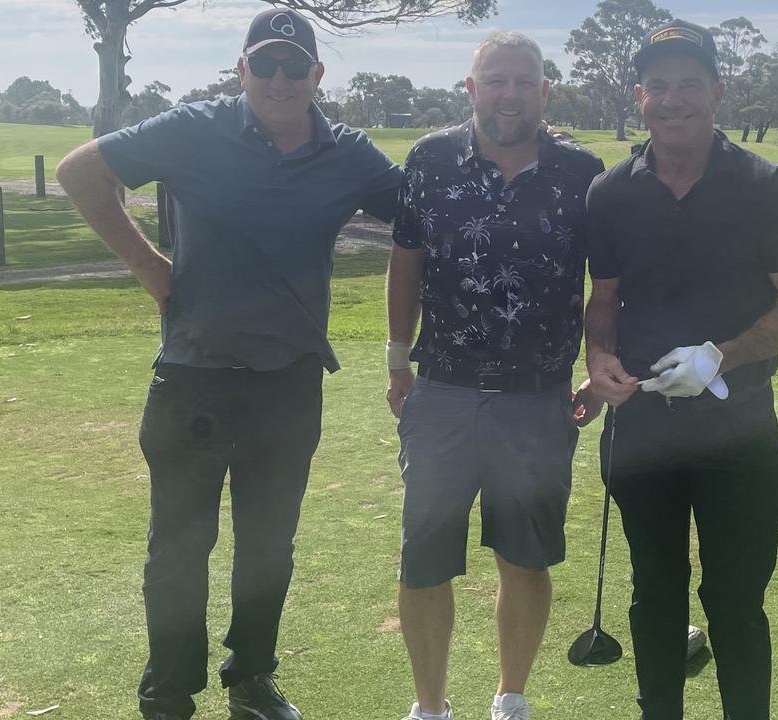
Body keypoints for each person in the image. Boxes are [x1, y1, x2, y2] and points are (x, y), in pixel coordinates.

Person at [55, 9, 402, 720]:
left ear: (316, 75)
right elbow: (81, 172)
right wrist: (148, 265)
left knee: (269, 546)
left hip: (289, 378)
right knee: (180, 547)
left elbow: (426, 210)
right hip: (193, 376)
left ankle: (249, 679)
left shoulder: (347, 153)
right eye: (265, 65)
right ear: (241, 70)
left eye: (294, 66)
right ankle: (169, 691)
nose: (280, 79)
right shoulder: (194, 129)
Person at [583, 20, 778, 720]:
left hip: (739, 429)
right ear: (638, 97)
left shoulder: (765, 186)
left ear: (717, 92)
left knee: (733, 599)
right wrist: (599, 359)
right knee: (653, 590)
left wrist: (721, 354)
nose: (674, 99)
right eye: (658, 85)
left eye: (690, 83)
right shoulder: (612, 193)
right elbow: (603, 301)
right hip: (643, 431)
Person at [384, 31, 606, 720]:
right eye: (495, 79)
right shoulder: (428, 160)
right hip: (443, 390)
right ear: (472, 88)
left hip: (537, 398)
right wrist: (397, 358)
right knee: (425, 558)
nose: (509, 92)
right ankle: (431, 706)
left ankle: (511, 695)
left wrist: (598, 365)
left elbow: (608, 283)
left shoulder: (582, 172)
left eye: (523, 80)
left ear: (545, 91)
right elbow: (406, 264)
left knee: (524, 555)